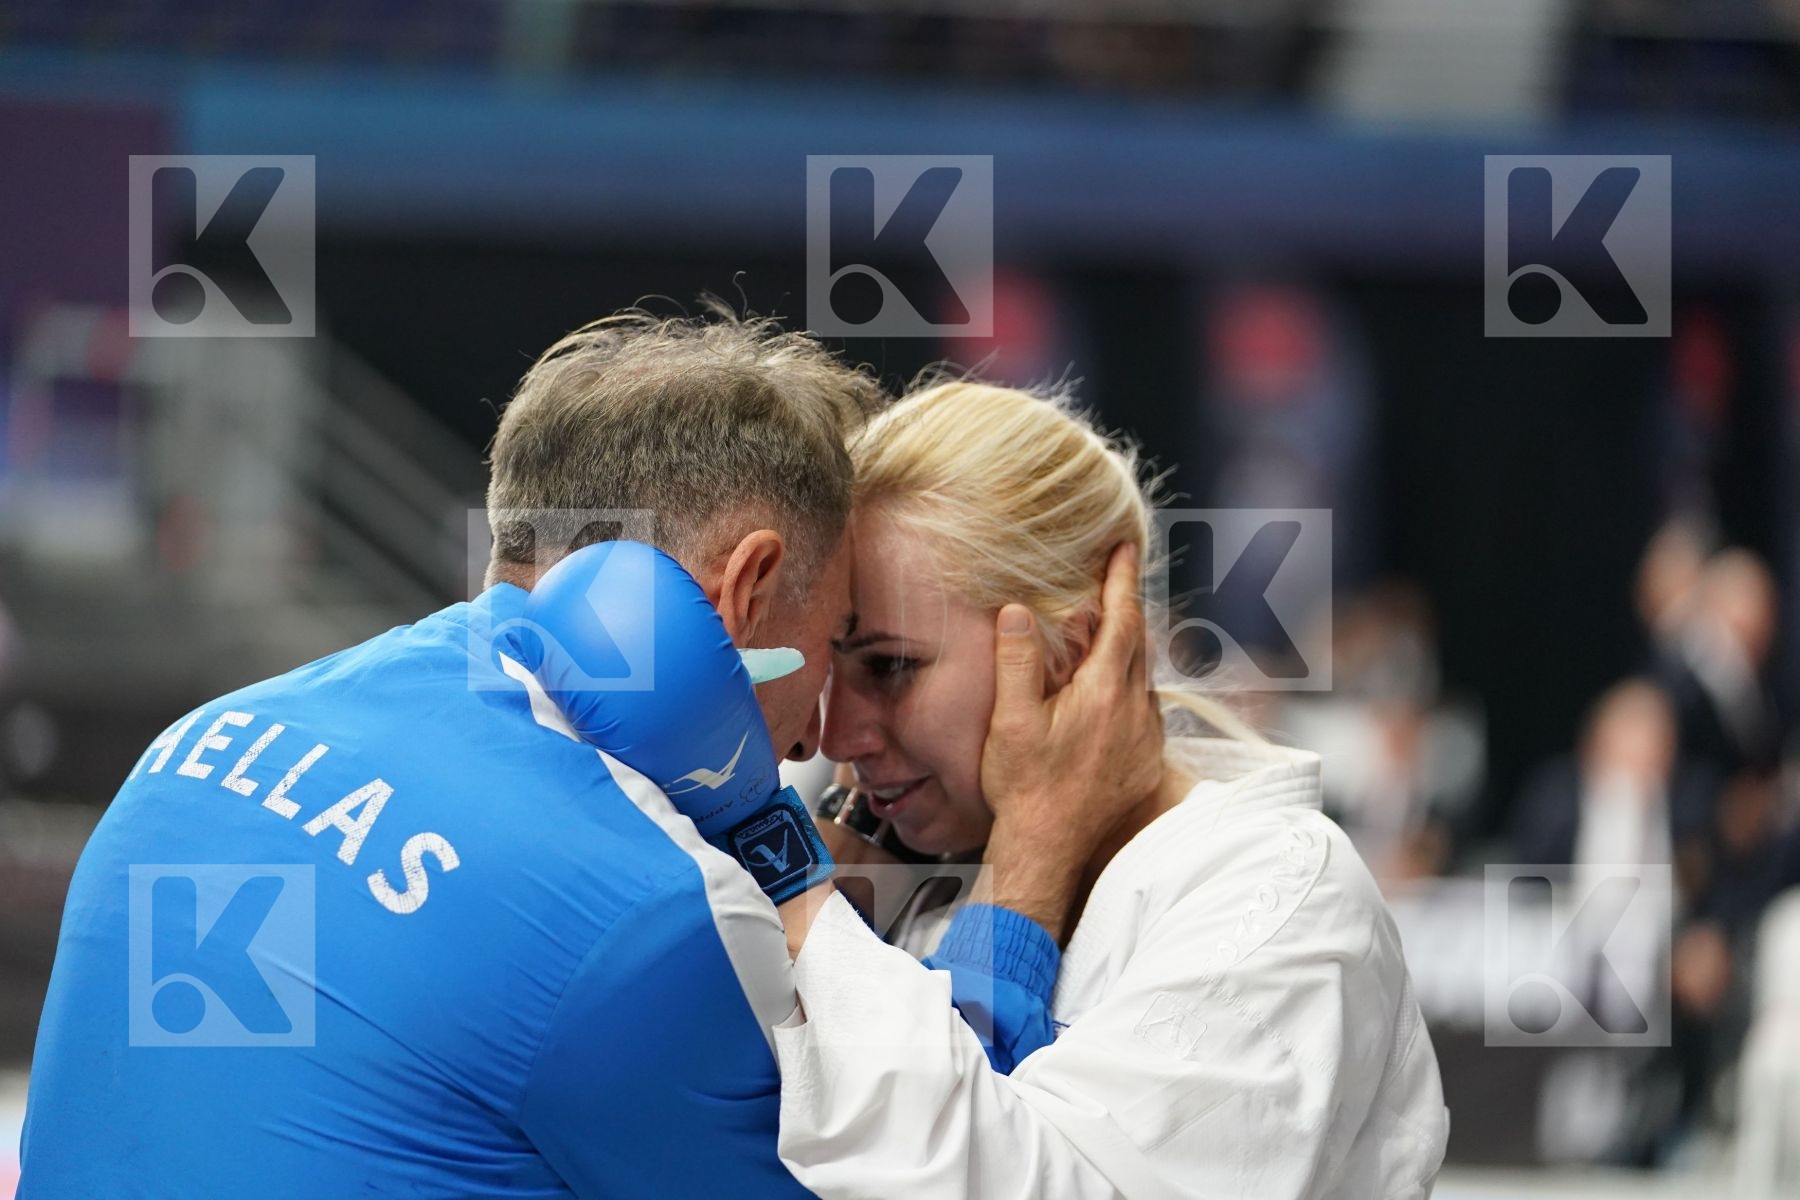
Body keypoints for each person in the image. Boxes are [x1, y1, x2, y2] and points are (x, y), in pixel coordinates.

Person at [18, 311, 884, 1198]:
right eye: (839, 645)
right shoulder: (649, 910)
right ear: (747, 588)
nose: (816, 738)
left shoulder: (193, 742)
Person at [535, 379, 1451, 1198]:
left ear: (1076, 648)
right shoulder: (893, 864)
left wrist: (1031, 851)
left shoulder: (1278, 896)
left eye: (891, 666)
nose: (839, 736)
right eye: (832, 666)